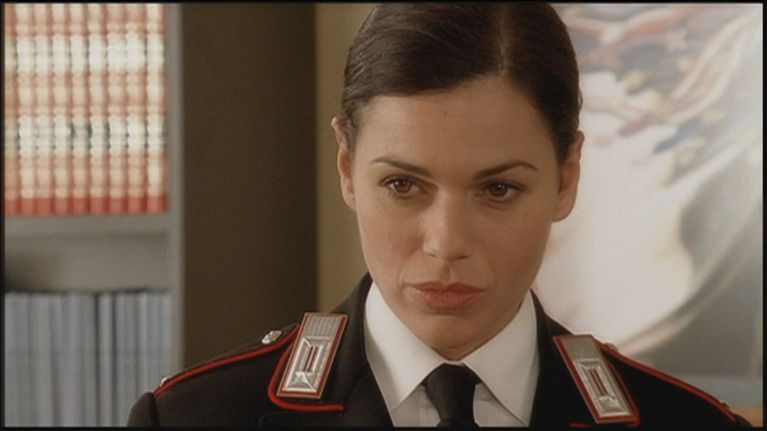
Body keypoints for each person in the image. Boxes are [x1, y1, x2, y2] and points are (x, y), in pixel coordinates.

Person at [127, 4, 752, 428]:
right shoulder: (192, 418)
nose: (447, 243)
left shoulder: (688, 423)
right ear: (346, 167)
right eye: (403, 185)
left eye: (499, 189)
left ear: (567, 178)